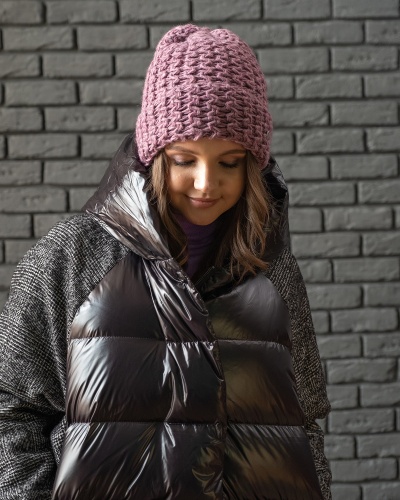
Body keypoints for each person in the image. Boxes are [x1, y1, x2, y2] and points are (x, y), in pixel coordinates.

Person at [0, 24, 331, 500]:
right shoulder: (72, 257)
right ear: (154, 157)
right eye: (183, 160)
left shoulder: (271, 269)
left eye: (229, 162)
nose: (205, 183)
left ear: (253, 165)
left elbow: (304, 418)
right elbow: (13, 409)